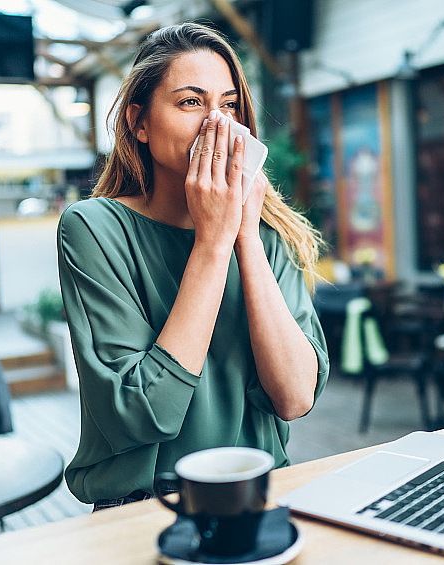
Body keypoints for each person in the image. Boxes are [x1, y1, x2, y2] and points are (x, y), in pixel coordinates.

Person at [57, 22, 330, 511]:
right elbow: (143, 413)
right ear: (139, 123)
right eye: (190, 102)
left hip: (259, 495)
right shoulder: (94, 228)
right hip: (144, 509)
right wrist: (212, 239)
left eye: (229, 106)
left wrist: (243, 234)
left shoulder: (266, 233)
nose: (217, 125)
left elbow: (294, 397)